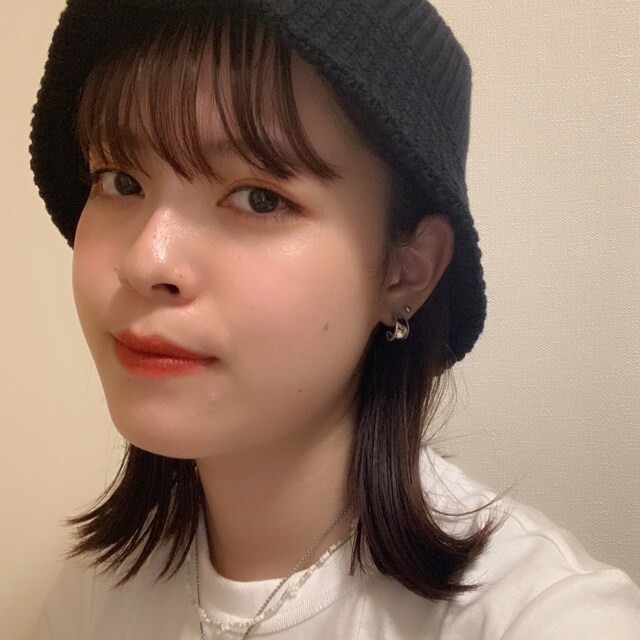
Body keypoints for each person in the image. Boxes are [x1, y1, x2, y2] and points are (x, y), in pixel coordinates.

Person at [31, 0, 640, 638]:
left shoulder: (544, 618)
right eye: (119, 181)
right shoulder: (92, 594)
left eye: (258, 198)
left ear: (405, 272)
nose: (146, 261)